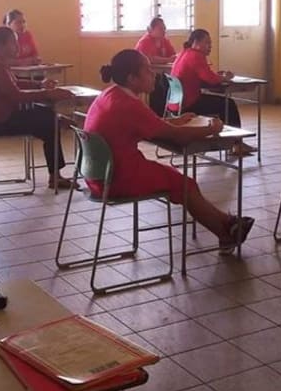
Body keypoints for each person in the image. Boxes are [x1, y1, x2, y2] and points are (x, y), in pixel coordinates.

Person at [85, 50, 254, 252]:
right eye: (147, 70)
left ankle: (228, 225)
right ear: (132, 78)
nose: (154, 74)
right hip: (119, 178)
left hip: (99, 175)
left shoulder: (111, 94)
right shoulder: (129, 104)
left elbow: (147, 125)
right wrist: (211, 129)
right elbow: (176, 136)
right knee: (184, 184)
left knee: (176, 177)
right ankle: (227, 230)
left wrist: (174, 121)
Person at [0, 27, 73, 189]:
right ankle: (55, 176)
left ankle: (56, 172)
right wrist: (47, 93)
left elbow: (14, 83)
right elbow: (16, 95)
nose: (17, 47)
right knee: (49, 122)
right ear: (0, 45)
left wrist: (40, 84)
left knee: (48, 117)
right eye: (13, 43)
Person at [170, 29, 253, 156]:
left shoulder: (184, 53)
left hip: (175, 103)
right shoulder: (196, 55)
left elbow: (205, 74)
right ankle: (236, 143)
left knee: (220, 102)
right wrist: (225, 78)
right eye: (207, 43)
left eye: (211, 43)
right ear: (196, 42)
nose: (210, 46)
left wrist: (216, 75)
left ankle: (226, 140)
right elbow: (211, 80)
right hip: (189, 103)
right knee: (228, 104)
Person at [135, 17, 176, 117]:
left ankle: (166, 113)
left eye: (164, 28)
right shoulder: (145, 41)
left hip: (160, 73)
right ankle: (156, 115)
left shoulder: (165, 41)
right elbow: (150, 59)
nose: (164, 31)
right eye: (161, 28)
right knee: (158, 87)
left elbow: (173, 56)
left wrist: (169, 59)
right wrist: (167, 60)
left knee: (171, 85)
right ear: (151, 30)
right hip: (143, 74)